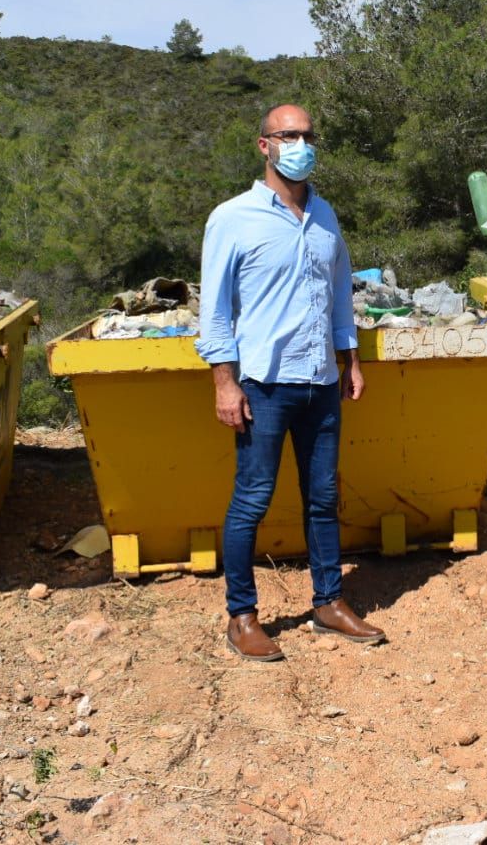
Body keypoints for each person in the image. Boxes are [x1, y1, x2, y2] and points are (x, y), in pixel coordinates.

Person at [196, 104, 385, 662]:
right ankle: (242, 615)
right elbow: (217, 313)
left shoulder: (325, 215)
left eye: (307, 134)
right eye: (289, 135)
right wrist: (224, 384)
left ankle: (329, 603)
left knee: (323, 498)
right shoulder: (232, 217)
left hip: (320, 382)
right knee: (252, 499)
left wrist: (350, 361)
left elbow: (338, 296)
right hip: (264, 384)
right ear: (264, 146)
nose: (301, 143)